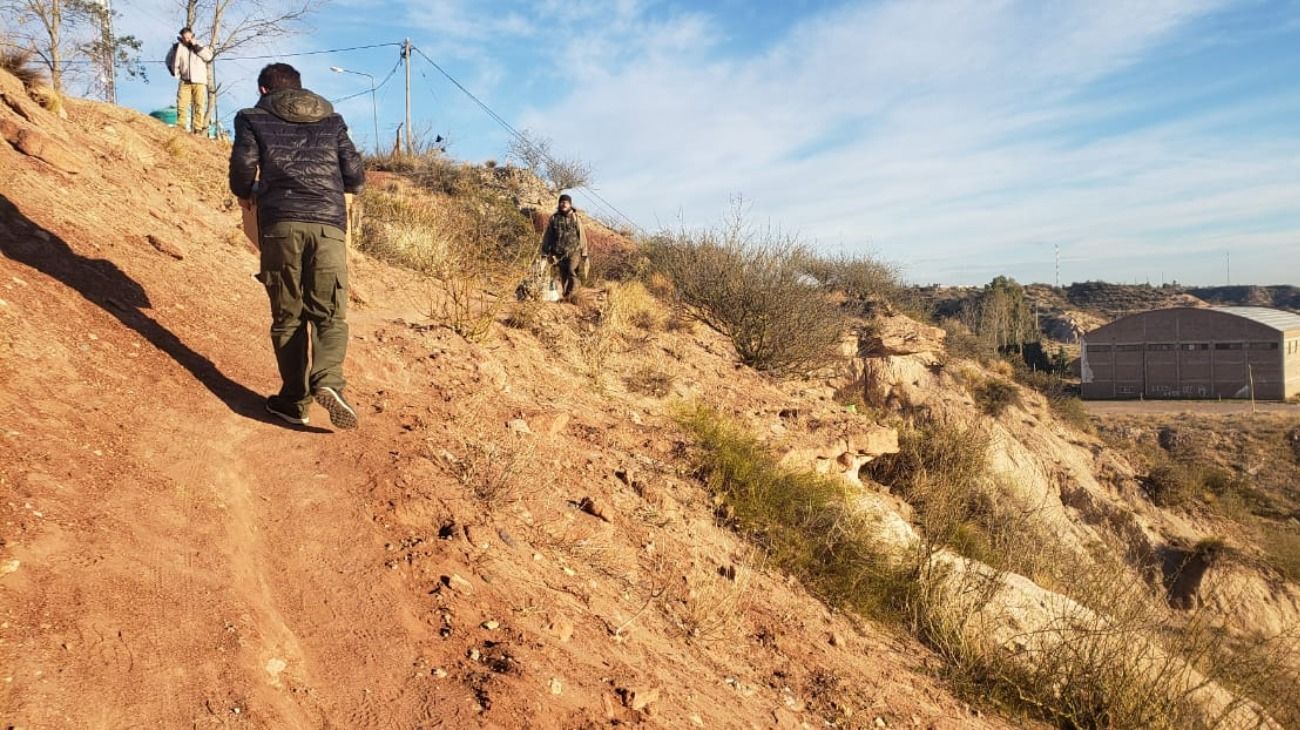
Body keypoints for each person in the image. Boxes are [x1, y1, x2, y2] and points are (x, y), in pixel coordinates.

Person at [229, 63, 365, 429]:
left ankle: (294, 401)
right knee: (330, 314)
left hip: (281, 226)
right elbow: (354, 175)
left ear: (263, 90)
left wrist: (248, 193)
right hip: (329, 227)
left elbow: (244, 167)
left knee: (289, 317)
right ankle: (329, 382)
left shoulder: (252, 117)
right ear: (302, 89)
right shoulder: (332, 120)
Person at [165, 27, 214, 135]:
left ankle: (198, 128)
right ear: (181, 38)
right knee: (182, 103)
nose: (187, 39)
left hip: (199, 80)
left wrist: (196, 46)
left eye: (189, 37)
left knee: (199, 104)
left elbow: (209, 57)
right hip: (185, 80)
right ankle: (181, 126)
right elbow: (168, 59)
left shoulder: (200, 45)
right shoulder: (177, 47)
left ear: (192, 36)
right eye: (185, 37)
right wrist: (173, 71)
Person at [540, 194, 589, 299]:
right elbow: (548, 236)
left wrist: (585, 253)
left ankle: (573, 296)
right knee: (562, 276)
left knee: (572, 272)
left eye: (566, 202)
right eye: (561, 202)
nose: (563, 204)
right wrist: (545, 251)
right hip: (558, 254)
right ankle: (565, 296)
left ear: (570, 204)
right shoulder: (554, 218)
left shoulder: (576, 218)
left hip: (574, 252)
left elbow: (582, 235)